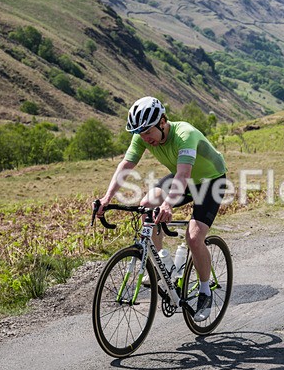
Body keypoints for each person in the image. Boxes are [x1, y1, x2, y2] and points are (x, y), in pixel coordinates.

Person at [95, 96, 227, 322]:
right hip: (183, 179)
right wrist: (106, 198)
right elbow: (125, 166)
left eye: (148, 132)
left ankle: (205, 292)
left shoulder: (185, 134)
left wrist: (167, 204)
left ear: (163, 122)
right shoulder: (142, 137)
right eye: (140, 133)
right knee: (146, 205)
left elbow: (183, 175)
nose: (145, 138)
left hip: (211, 181)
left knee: (194, 238)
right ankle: (164, 263)